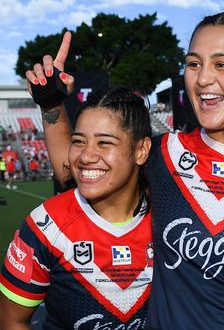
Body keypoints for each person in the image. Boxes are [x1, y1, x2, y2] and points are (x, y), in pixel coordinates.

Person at [25, 4, 224, 329]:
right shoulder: (163, 155)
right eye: (193, 64)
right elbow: (70, 169)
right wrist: (51, 103)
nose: (203, 78)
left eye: (221, 64)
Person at [0, 88, 153, 329]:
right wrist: (50, 103)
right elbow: (12, 321)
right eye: (79, 141)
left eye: (104, 142)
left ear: (141, 150)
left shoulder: (169, 215)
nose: (86, 156)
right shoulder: (45, 226)